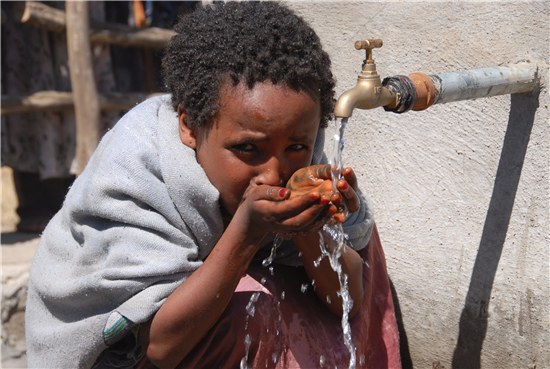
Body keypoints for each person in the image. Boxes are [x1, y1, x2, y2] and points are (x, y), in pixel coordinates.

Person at [25, 2, 402, 368]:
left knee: (359, 244)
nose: (274, 175)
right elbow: (159, 348)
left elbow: (349, 301)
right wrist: (247, 232)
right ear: (190, 127)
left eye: (296, 147)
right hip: (124, 353)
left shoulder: (309, 161)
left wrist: (309, 225)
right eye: (247, 149)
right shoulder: (136, 172)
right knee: (238, 314)